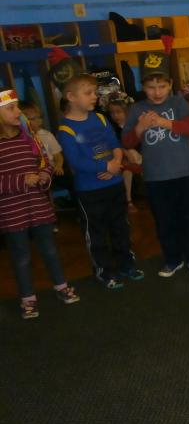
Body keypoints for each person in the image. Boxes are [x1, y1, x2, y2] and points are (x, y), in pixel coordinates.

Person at [122, 51, 189, 277]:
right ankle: (172, 259)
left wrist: (162, 122)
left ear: (170, 85)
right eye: (151, 87)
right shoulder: (137, 109)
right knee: (164, 220)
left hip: (183, 173)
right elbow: (127, 141)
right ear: (143, 86)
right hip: (155, 177)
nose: (157, 92)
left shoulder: (178, 103)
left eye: (162, 86)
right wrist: (140, 127)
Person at [57, 74, 143, 289]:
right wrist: (106, 166)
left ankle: (126, 264)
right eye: (88, 93)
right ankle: (104, 271)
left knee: (120, 227)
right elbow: (76, 161)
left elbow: (115, 144)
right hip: (90, 191)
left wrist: (116, 162)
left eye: (94, 92)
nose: (94, 96)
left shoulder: (101, 119)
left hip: (113, 184)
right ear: (71, 97)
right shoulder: (66, 129)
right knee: (96, 233)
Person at [0, 89, 79, 318]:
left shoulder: (30, 138)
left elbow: (45, 161)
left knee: (50, 250)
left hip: (38, 206)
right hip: (12, 212)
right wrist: (21, 181)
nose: (18, 112)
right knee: (21, 257)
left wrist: (45, 175)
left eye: (17, 107)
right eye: (11, 108)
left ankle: (61, 287)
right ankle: (28, 299)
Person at [106, 98, 142, 213]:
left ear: (126, 112)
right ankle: (128, 200)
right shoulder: (111, 128)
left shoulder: (133, 125)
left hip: (138, 154)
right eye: (112, 113)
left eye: (118, 112)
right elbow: (115, 145)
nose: (115, 115)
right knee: (127, 170)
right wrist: (126, 152)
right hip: (121, 157)